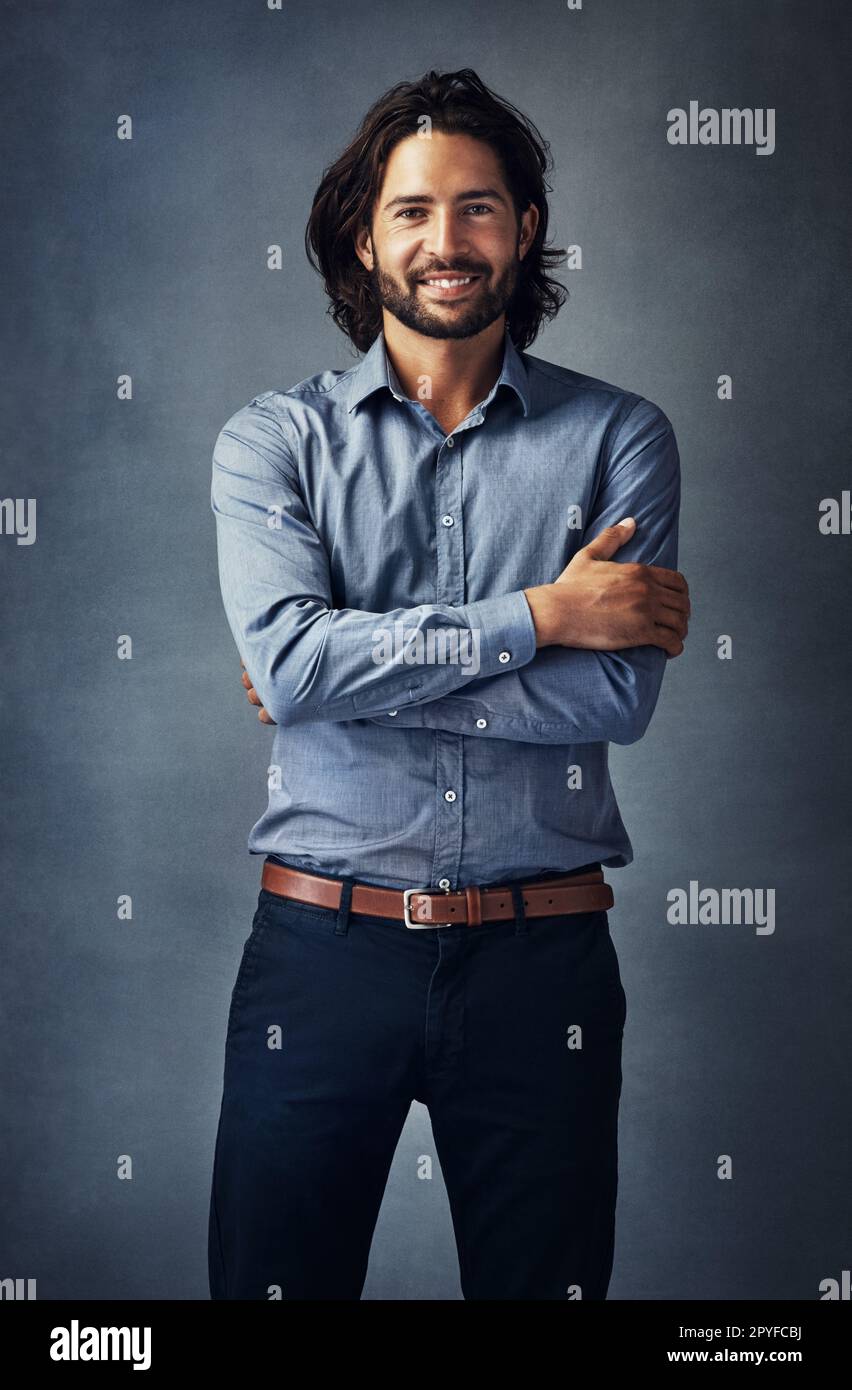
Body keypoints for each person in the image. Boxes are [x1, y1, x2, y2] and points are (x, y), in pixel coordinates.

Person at [207, 67, 689, 1301]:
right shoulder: (274, 442)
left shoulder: (621, 438)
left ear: (525, 229)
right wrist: (542, 616)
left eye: (479, 207)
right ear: (365, 238)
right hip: (321, 954)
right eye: (413, 211)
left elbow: (617, 702)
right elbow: (289, 662)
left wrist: (340, 671)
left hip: (546, 961)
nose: (447, 240)